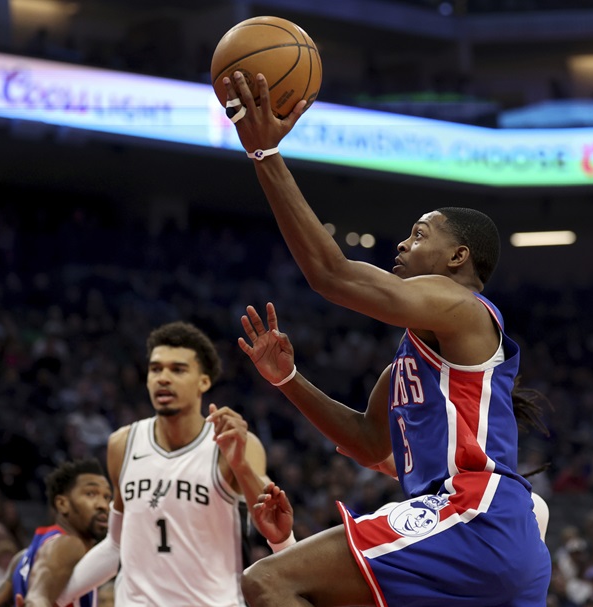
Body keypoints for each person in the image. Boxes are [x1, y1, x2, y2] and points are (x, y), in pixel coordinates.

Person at [224, 71, 551, 606]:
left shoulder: (461, 307)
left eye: (420, 234)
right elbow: (369, 443)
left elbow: (332, 275)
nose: (402, 242)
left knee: (269, 581)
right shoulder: (414, 361)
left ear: (458, 258)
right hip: (494, 543)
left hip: (472, 516)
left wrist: (265, 154)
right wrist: (287, 379)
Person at [57, 321, 295, 607]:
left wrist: (240, 465)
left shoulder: (236, 444)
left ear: (203, 382)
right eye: (156, 369)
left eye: (178, 369)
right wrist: (51, 597)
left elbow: (274, 527)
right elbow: (117, 545)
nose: (163, 378)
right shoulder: (122, 443)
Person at [12, 458, 111, 607]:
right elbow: (38, 595)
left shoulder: (20, 559)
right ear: (62, 504)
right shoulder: (69, 544)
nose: (103, 505)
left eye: (107, 497)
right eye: (91, 494)